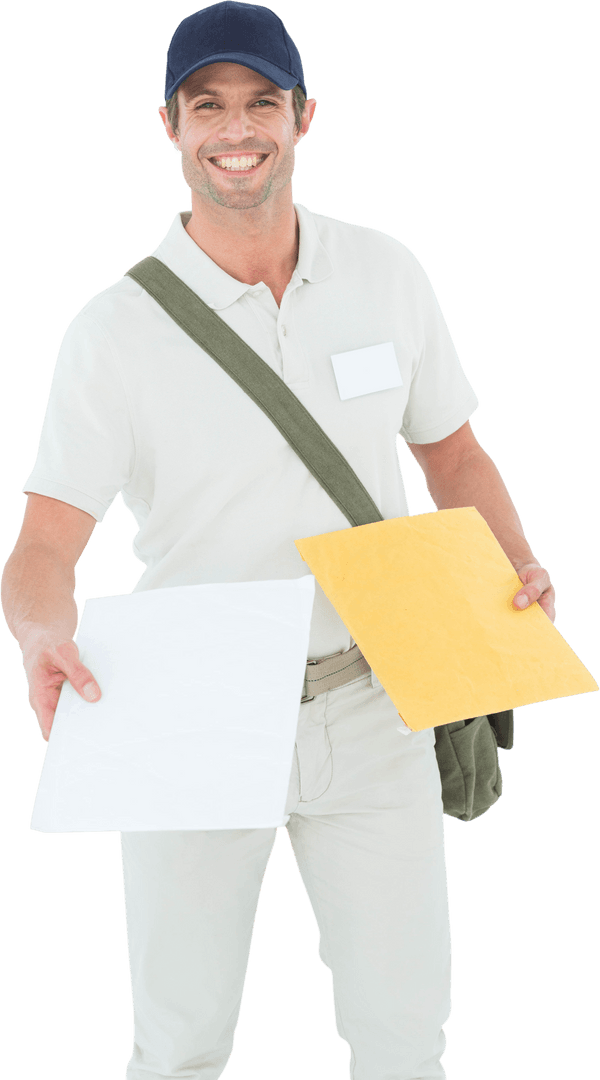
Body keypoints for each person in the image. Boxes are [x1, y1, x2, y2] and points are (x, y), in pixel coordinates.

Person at [0, 3, 556, 1079]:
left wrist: (512, 562)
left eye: (261, 103)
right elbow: (43, 546)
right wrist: (37, 635)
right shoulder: (111, 334)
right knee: (180, 1047)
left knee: (405, 1043)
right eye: (208, 106)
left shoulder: (384, 272)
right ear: (169, 125)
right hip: (188, 710)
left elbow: (455, 458)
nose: (236, 129)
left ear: (304, 117)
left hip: (375, 694)